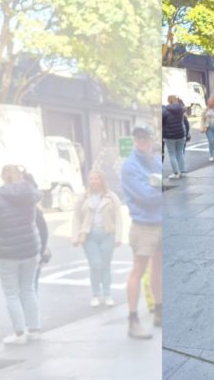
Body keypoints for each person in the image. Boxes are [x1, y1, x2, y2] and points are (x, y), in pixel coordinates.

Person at [0, 165, 43, 344]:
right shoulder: (30, 194)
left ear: (2, 176)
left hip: (5, 251)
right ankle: (34, 329)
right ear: (20, 176)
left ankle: (19, 333)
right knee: (28, 289)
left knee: (11, 293)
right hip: (30, 248)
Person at [121, 125, 163, 339]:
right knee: (138, 270)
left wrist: (156, 186)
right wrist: (158, 187)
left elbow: (165, 184)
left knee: (158, 268)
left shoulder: (155, 161)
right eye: (138, 138)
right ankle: (132, 318)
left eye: (145, 138)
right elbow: (145, 195)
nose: (142, 142)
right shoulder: (130, 166)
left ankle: (158, 310)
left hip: (160, 220)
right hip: (143, 224)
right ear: (134, 140)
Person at [72, 170, 123, 308]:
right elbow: (76, 217)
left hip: (107, 234)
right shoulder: (83, 198)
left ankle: (107, 294)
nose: (94, 181)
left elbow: (118, 217)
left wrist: (118, 237)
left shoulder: (111, 197)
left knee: (105, 265)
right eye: (91, 179)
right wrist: (75, 236)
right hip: (89, 236)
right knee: (95, 265)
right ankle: (96, 294)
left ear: (102, 180)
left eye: (96, 178)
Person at [162, 95, 187, 179]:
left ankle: (176, 173)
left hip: (170, 135)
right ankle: (182, 171)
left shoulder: (165, 110)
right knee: (180, 152)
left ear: (169, 101)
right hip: (180, 133)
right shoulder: (181, 109)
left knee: (172, 154)